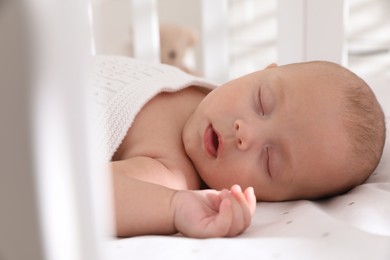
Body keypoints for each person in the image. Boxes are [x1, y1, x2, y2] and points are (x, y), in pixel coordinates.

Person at [89, 55, 386, 238]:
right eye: (261, 102)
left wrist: (173, 207)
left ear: (275, 199)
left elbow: (84, 193)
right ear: (260, 72)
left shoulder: (170, 173)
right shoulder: (200, 88)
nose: (246, 134)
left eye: (270, 160)